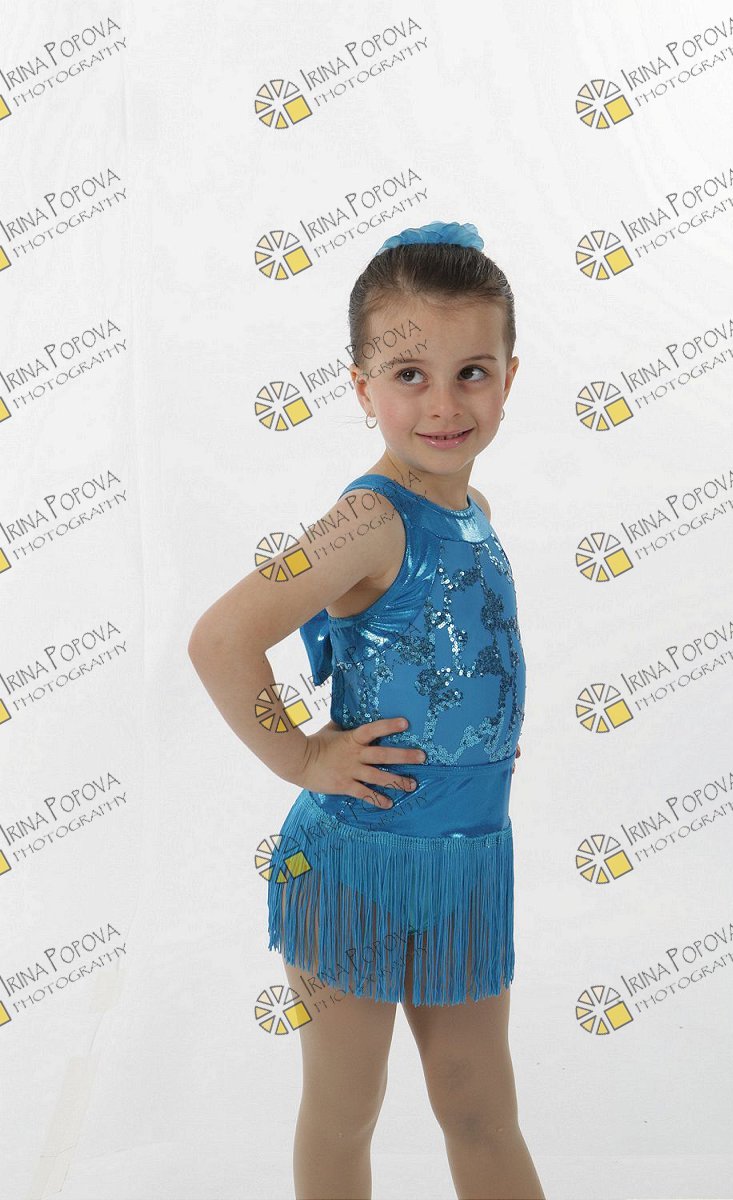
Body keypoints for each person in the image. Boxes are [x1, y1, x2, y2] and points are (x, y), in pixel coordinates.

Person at [188, 219, 546, 1200]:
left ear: (510, 377)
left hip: (468, 860)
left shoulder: (473, 511)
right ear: (360, 387)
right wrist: (303, 759)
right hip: (354, 864)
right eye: (408, 375)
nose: (443, 404)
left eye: (471, 373)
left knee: (479, 1105)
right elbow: (221, 638)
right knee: (346, 1105)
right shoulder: (368, 519)